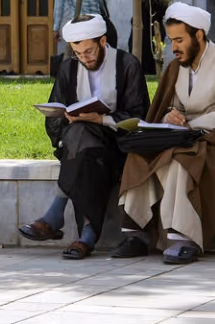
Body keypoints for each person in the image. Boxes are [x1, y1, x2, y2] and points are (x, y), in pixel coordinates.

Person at [111, 2, 215, 265]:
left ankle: (184, 238)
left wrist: (194, 124)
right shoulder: (177, 66)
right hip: (179, 136)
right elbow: (169, 105)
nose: (173, 48)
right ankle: (137, 234)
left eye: (179, 40)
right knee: (139, 154)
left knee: (181, 161)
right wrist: (169, 116)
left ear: (198, 35)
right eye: (171, 41)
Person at [18, 14, 150, 260]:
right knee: (82, 143)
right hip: (80, 145)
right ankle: (86, 237)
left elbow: (139, 116)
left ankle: (55, 218)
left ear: (102, 41)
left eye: (89, 51)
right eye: (78, 53)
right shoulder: (69, 67)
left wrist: (101, 120)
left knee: (83, 144)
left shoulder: (127, 64)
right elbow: (55, 113)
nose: (84, 58)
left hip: (118, 145)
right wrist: (68, 120)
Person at [53, 0, 118, 49]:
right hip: (96, 22)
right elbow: (100, 0)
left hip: (78, 24)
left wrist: (56, 28)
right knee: (99, 51)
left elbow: (59, 5)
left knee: (81, 53)